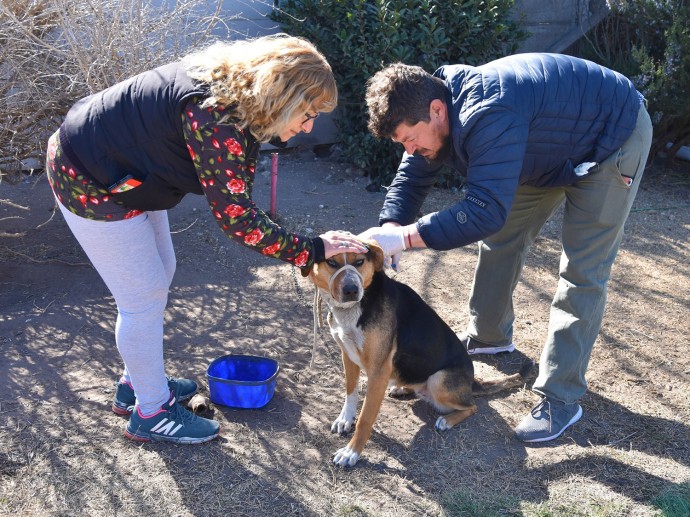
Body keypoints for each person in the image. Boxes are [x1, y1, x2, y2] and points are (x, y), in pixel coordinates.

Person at [45, 34, 367, 444]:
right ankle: (151, 412)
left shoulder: (236, 97)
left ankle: (136, 385)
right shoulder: (218, 119)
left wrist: (312, 247)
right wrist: (312, 250)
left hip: (124, 170)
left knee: (162, 271)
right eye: (307, 113)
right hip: (87, 177)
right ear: (280, 95)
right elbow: (237, 219)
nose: (309, 127)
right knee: (142, 296)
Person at [358, 54, 652, 443]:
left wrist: (408, 238)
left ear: (436, 110)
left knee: (583, 270)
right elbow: (412, 177)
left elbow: (484, 211)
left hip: (611, 138)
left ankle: (560, 397)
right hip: (546, 148)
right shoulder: (432, 106)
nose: (410, 150)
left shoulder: (489, 113)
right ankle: (490, 336)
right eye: (402, 143)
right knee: (502, 240)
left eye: (410, 139)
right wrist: (391, 225)